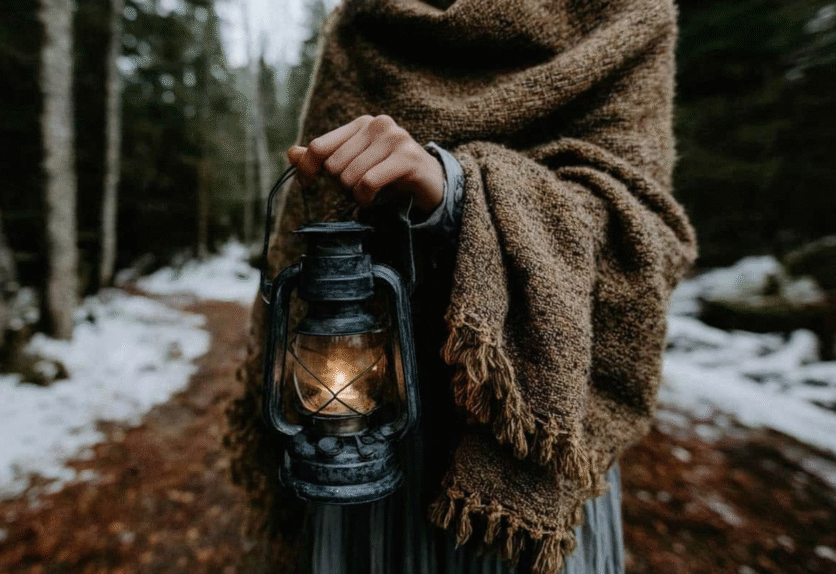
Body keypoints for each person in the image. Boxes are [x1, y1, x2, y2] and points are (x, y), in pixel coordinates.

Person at [225, 1, 697, 573]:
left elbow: (641, 233)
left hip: (528, 438)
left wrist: (456, 190)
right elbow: (309, 222)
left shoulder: (625, 17)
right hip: (367, 437)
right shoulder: (367, 23)